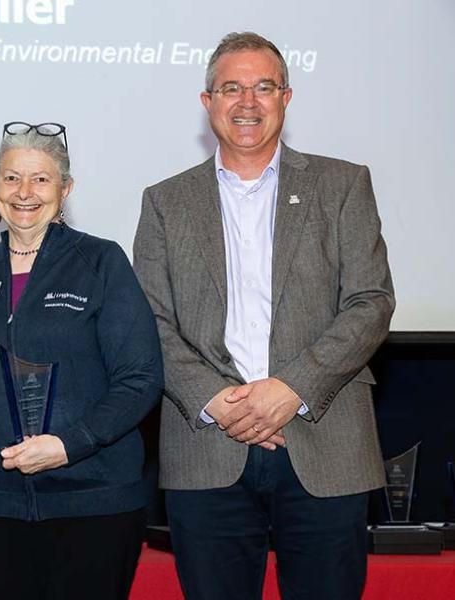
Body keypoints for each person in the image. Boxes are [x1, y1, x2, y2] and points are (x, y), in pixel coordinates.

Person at [132, 31, 395, 600]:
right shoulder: (164, 201)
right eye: (231, 88)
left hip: (326, 445)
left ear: (286, 97)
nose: (247, 102)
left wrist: (290, 389)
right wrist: (217, 400)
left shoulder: (342, 184)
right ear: (208, 103)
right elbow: (149, 319)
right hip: (206, 449)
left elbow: (371, 301)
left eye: (263, 87)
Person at [0, 122, 163, 600]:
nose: (24, 192)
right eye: (11, 177)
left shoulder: (101, 262)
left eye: (40, 178)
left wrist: (70, 444)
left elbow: (139, 378)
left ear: (66, 189)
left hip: (92, 500)